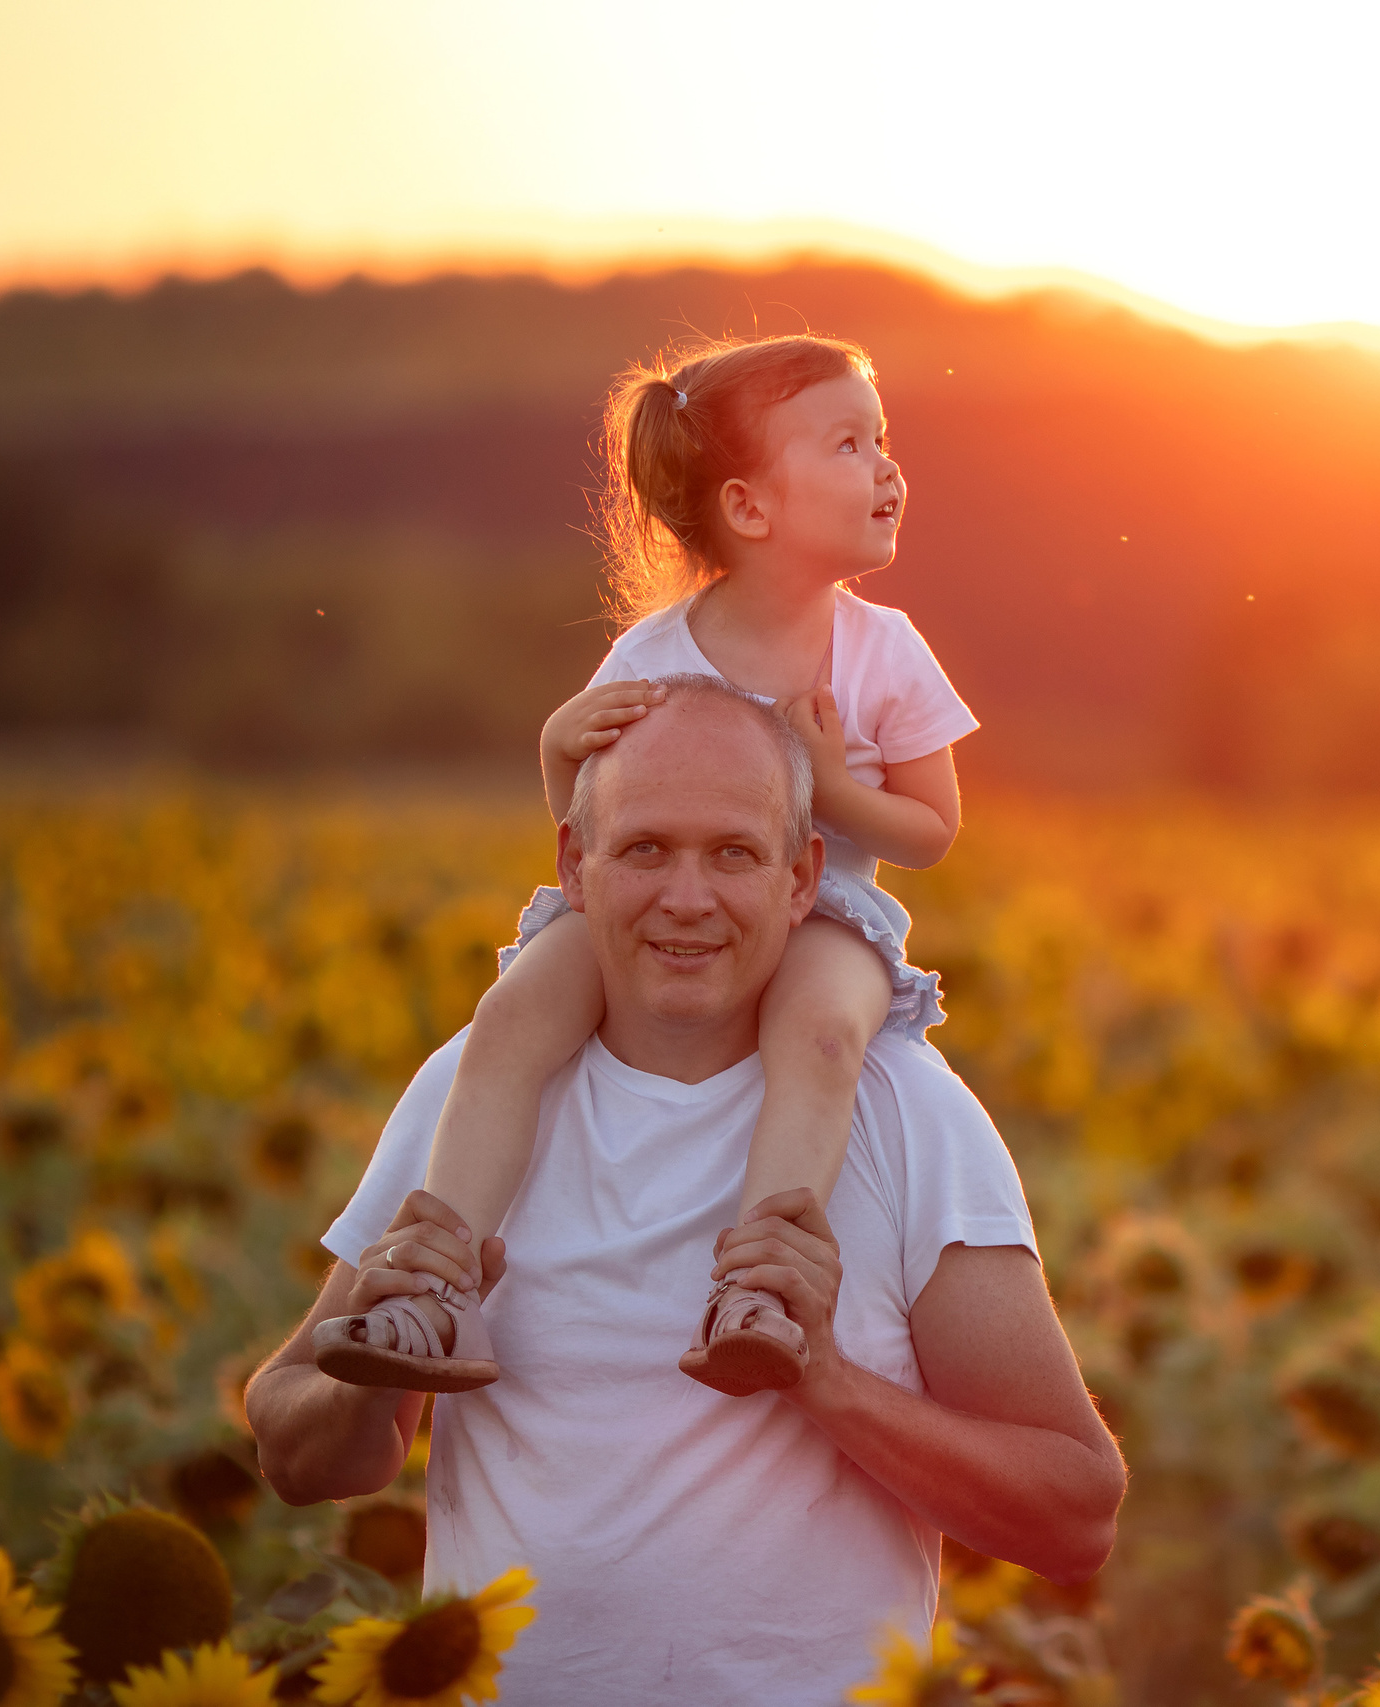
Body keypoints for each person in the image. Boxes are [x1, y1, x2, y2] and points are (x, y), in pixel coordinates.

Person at [247, 679, 1124, 1705]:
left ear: (802, 879)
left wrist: (823, 1379)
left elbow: (1075, 1515)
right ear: (576, 866)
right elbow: (295, 1449)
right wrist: (375, 1362)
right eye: (646, 849)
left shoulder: (905, 1117)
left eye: (734, 854)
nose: (687, 898)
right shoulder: (478, 1094)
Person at [312, 332, 970, 1396]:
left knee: (821, 1032)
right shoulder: (653, 654)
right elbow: (591, 837)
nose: (888, 468)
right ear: (751, 508)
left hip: (830, 915)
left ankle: (759, 1283)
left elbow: (931, 832)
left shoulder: (884, 650)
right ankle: (434, 1280)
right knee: (515, 1013)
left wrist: (827, 783)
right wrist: (553, 752)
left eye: (881, 440)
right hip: (670, 908)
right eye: (849, 445)